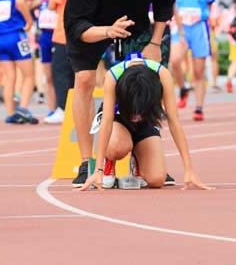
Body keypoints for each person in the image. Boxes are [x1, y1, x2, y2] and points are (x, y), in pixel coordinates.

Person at [63, 0, 176, 187]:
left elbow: (164, 5)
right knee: (85, 80)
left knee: (148, 76)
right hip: (91, 22)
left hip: (135, 20)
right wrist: (107, 31)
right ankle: (86, 162)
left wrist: (155, 43)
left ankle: (143, 149)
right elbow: (75, 25)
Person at [79, 55, 212, 191]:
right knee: (117, 147)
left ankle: (137, 159)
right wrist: (98, 169)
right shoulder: (112, 76)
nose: (136, 116)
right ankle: (109, 163)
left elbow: (174, 121)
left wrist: (189, 169)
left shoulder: (163, 75)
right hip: (118, 119)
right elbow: (106, 122)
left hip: (146, 120)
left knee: (157, 179)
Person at [170, 0, 215, 121]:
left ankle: (199, 107)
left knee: (198, 71)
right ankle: (183, 88)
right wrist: (178, 26)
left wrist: (208, 22)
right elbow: (173, 6)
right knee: (174, 61)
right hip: (181, 28)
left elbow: (210, 6)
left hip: (199, 29)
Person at [44, 0, 78, 125]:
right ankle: (73, 108)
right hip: (79, 33)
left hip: (62, 31)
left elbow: (52, 5)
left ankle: (62, 108)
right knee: (74, 72)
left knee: (60, 71)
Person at [33, 0, 61, 114]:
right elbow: (28, 3)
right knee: (48, 76)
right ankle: (51, 109)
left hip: (58, 36)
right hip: (44, 36)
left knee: (60, 74)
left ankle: (61, 107)